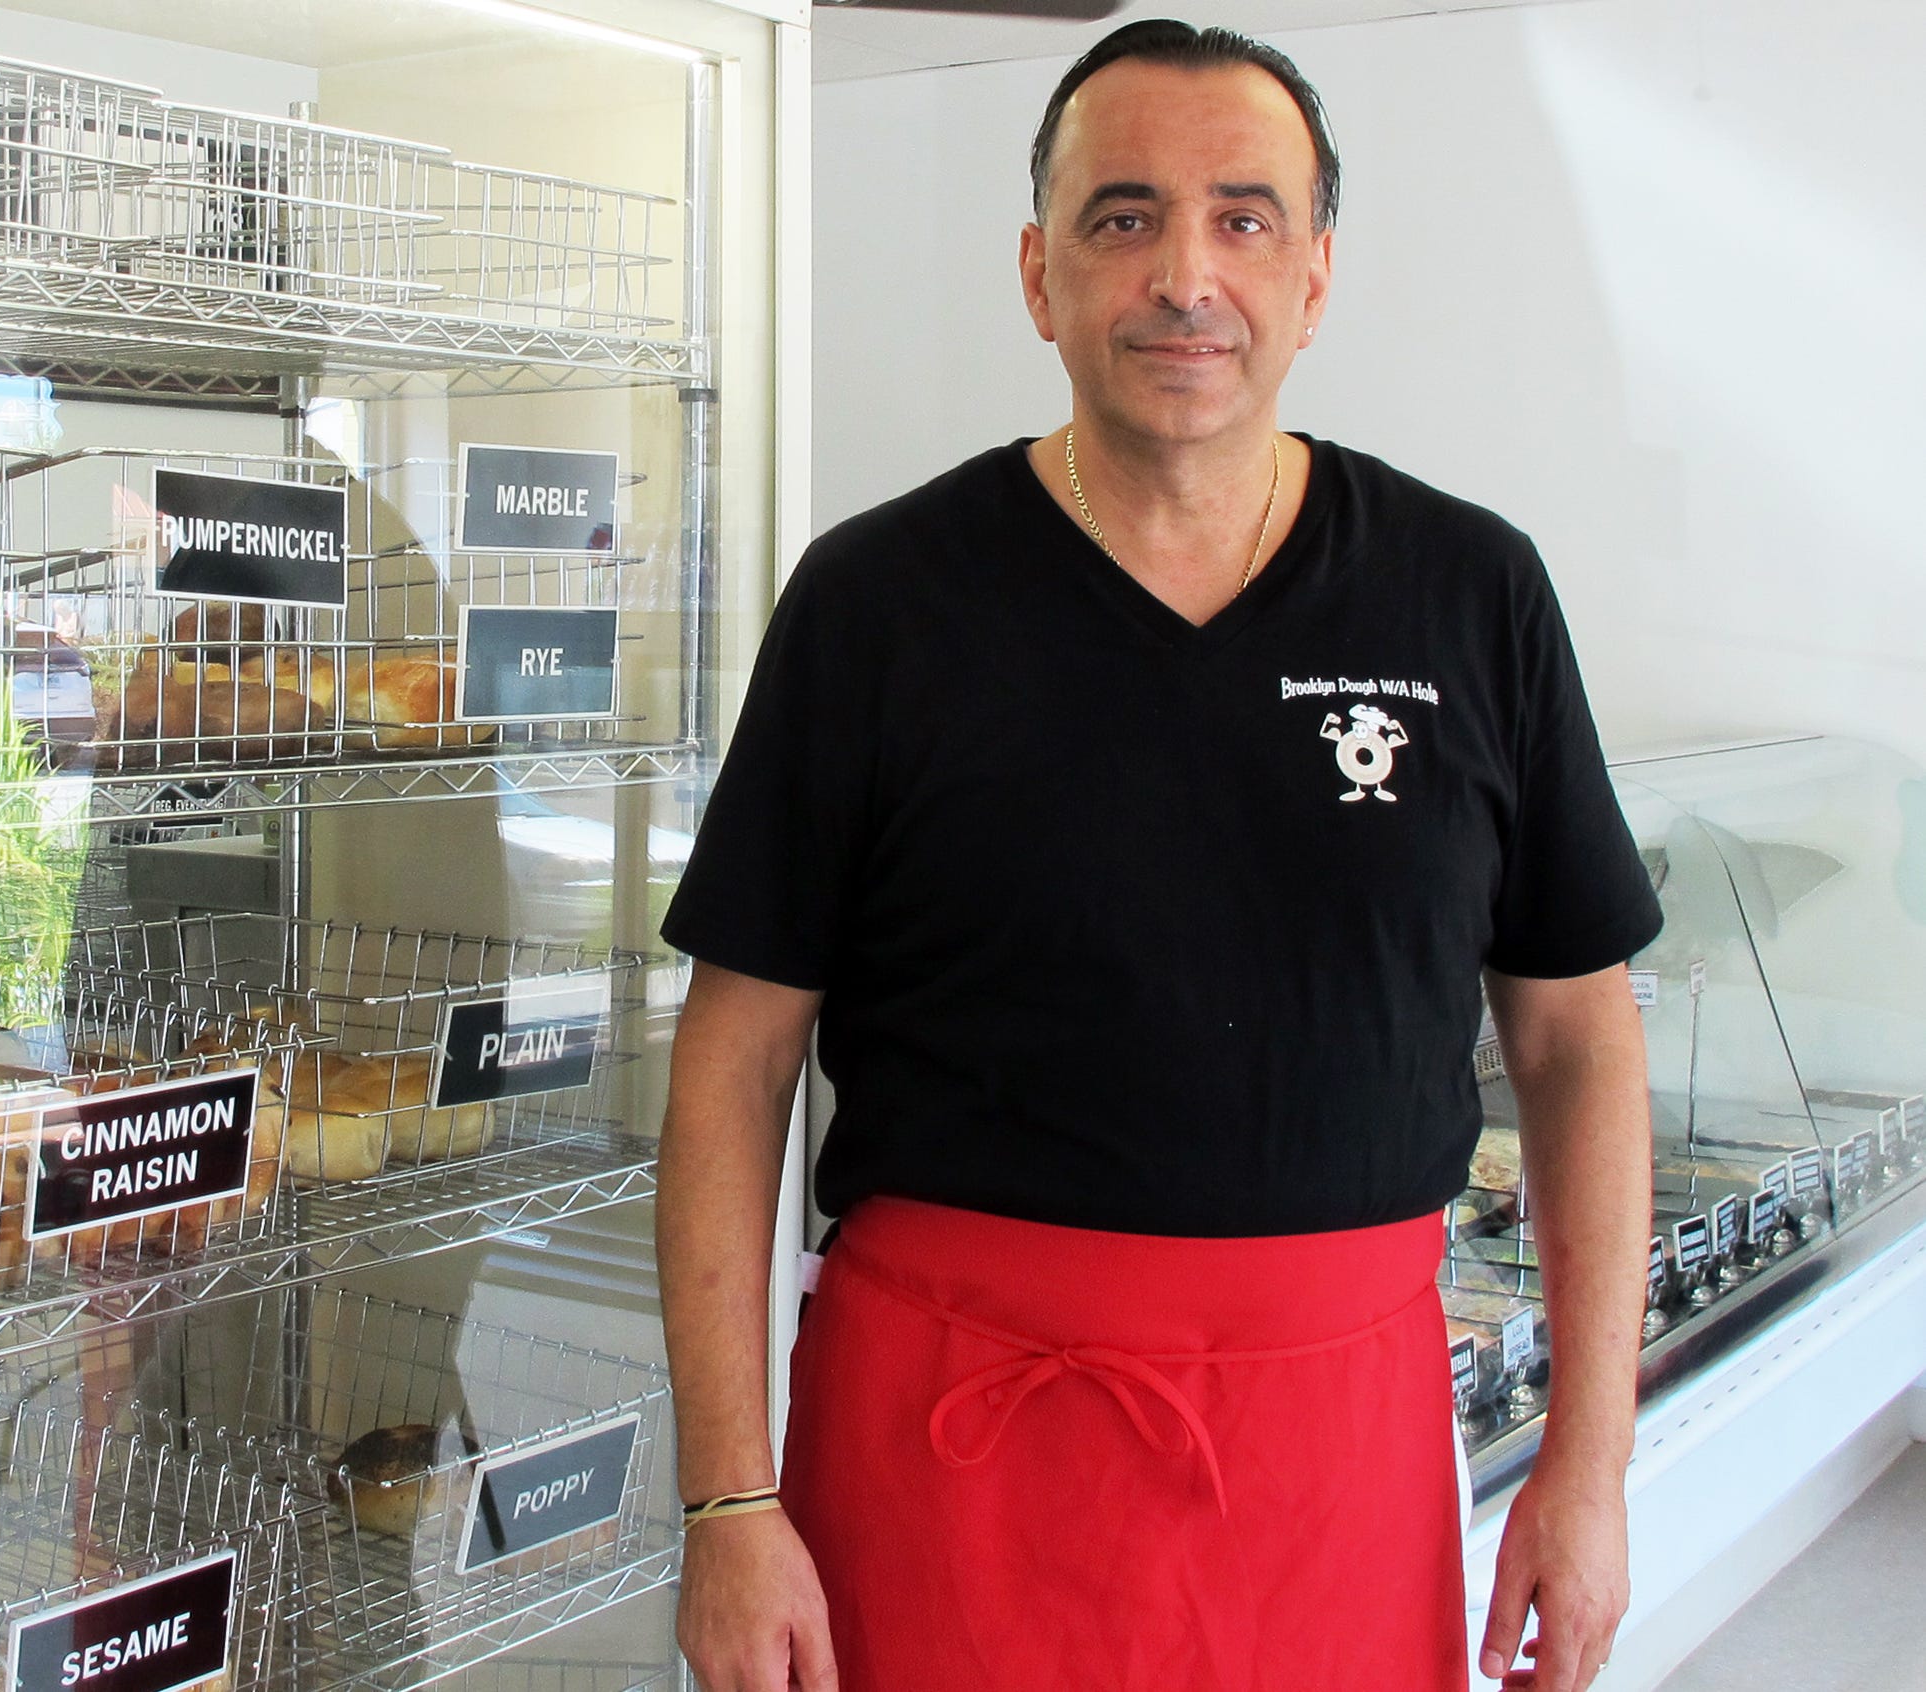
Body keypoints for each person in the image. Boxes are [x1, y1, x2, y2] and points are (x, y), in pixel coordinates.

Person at [656, 19, 1657, 1692]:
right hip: (947, 1451)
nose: (1186, 276)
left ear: (1315, 275)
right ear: (1038, 275)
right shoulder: (880, 604)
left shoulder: (1470, 593)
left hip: (1337, 1462)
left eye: (1243, 219)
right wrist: (727, 1498)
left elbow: (1579, 1042)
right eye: (1123, 218)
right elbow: (734, 1063)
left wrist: (1590, 1462)